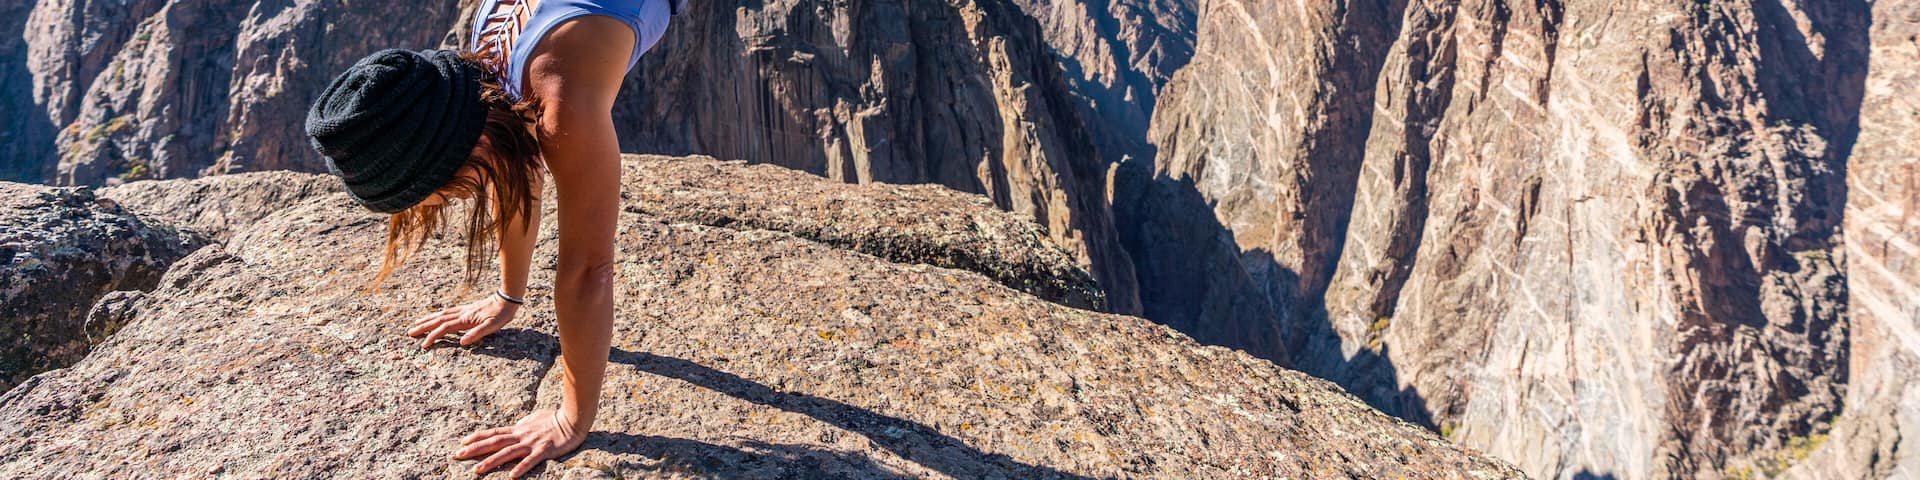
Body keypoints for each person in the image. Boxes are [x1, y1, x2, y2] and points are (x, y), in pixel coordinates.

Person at [303, 0, 683, 477]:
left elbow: (590, 270)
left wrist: (571, 420)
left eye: (438, 191)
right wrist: (508, 295)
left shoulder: (565, 96)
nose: (445, 201)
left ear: (458, 149)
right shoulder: (474, 73)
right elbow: (512, 159)